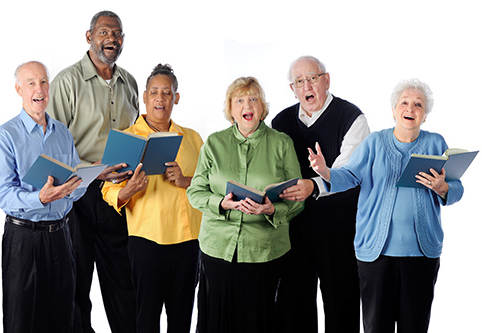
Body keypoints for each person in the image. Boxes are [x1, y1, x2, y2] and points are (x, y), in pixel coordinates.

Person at [308, 78, 464, 333]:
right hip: (376, 256)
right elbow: (348, 176)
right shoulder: (375, 143)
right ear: (393, 110)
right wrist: (325, 171)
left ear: (425, 115)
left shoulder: (436, 143)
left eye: (418, 105)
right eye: (404, 103)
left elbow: (457, 188)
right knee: (375, 327)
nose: (410, 109)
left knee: (414, 326)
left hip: (421, 256)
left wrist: (443, 188)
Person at [187, 76, 304, 333]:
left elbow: (298, 199)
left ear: (262, 108)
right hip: (218, 249)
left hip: (265, 251)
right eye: (239, 100)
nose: (246, 105)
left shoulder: (282, 144)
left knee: (260, 321)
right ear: (230, 109)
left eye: (253, 99)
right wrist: (222, 204)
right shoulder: (214, 144)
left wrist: (273, 209)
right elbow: (195, 192)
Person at [47, 10, 138, 333]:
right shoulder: (67, 82)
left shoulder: (129, 82)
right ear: (89, 37)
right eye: (104, 33)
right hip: (78, 197)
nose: (111, 39)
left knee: (125, 287)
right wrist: (95, 172)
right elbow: (51, 147)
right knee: (76, 286)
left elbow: (136, 133)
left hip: (119, 199)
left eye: (117, 34)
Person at [102, 64, 203, 332]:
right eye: (155, 92)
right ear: (144, 97)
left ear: (176, 98)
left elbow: (208, 184)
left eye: (167, 93)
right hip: (146, 243)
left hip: (188, 242)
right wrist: (128, 190)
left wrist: (185, 181)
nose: (160, 98)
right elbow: (107, 190)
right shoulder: (126, 140)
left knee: (182, 319)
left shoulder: (193, 139)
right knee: (145, 319)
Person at [271, 55, 369, 332]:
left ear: (326, 80)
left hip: (339, 230)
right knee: (293, 307)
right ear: (292, 89)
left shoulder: (351, 117)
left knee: (342, 306)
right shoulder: (281, 122)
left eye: (312, 78)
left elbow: (349, 172)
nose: (306, 86)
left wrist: (313, 184)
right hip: (294, 230)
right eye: (299, 82)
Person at [0, 61, 85, 333]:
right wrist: (40, 198)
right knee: (22, 319)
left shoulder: (63, 133)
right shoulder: (5, 135)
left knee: (62, 316)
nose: (39, 88)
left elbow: (74, 181)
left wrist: (76, 186)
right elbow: (3, 195)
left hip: (60, 237)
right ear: (19, 89)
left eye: (44, 81)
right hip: (24, 240)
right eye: (31, 83)